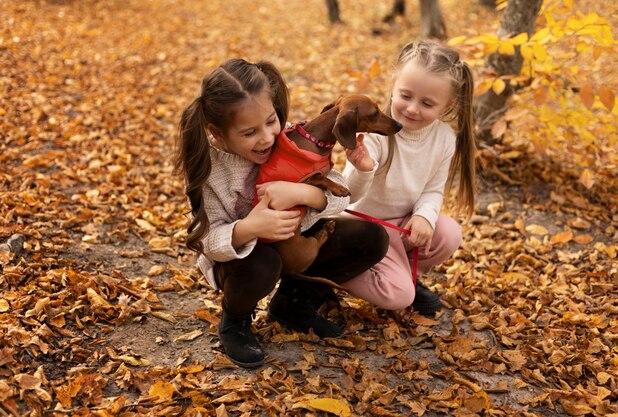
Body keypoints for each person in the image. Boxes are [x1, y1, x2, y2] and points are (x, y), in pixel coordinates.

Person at [175, 58, 389, 368]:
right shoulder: (209, 170)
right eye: (249, 132)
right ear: (217, 133)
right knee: (265, 261)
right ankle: (235, 322)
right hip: (244, 261)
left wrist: (304, 192)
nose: (266, 137)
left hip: (297, 240)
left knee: (370, 237)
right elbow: (207, 241)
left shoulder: (290, 139)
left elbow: (341, 195)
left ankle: (295, 302)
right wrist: (249, 227)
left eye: (271, 120)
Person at [341, 39, 476, 317]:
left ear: (447, 105)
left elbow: (433, 190)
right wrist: (363, 168)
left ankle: (406, 272)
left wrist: (425, 217)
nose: (413, 109)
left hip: (400, 228)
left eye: (427, 103)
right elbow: (347, 197)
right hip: (363, 229)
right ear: (393, 86)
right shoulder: (375, 130)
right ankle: (328, 271)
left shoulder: (444, 138)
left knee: (448, 234)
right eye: (406, 95)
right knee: (399, 296)